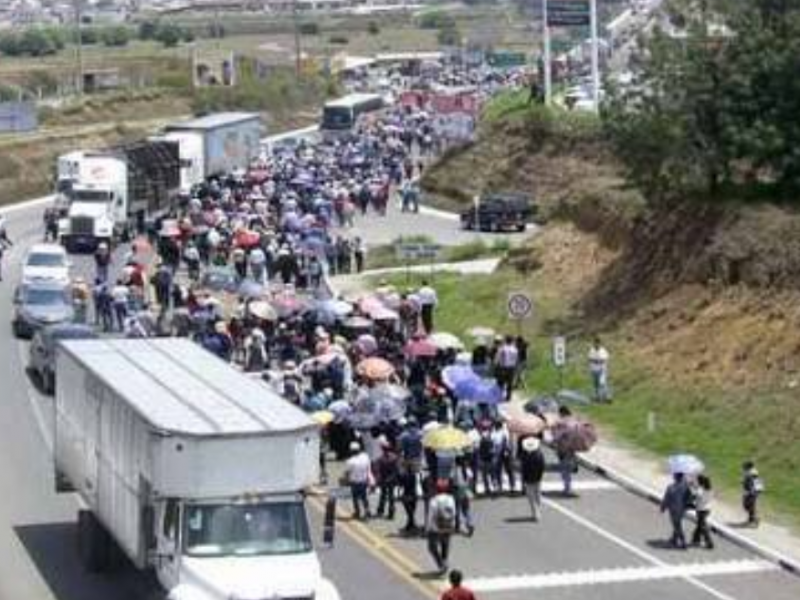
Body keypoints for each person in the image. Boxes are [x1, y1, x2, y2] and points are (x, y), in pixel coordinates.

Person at [426, 478, 457, 575]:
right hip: (448, 525)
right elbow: (454, 512)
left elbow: (431, 515)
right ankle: (445, 561)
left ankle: (441, 564)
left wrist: (428, 528)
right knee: (445, 545)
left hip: (436, 527)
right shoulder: (451, 499)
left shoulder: (434, 500)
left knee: (432, 547)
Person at [660, 472, 690, 549]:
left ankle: (683, 542)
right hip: (682, 508)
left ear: (675, 477)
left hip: (674, 510)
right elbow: (688, 497)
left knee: (677, 526)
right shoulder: (685, 486)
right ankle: (674, 538)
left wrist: (663, 507)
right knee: (678, 524)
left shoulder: (671, 488)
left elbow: (666, 499)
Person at [519, 436, 545, 521]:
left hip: (528, 479)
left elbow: (523, 469)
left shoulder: (524, 456)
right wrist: (540, 476)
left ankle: (535, 513)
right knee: (538, 495)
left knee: (531, 497)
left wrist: (523, 478)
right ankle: (538, 510)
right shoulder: (539, 454)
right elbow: (542, 467)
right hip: (537, 478)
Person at [344, 441, 373, 521]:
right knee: (364, 497)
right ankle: (367, 511)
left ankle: (357, 512)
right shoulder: (365, 457)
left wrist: (345, 481)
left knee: (355, 498)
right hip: (364, 481)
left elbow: (347, 473)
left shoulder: (350, 461)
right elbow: (368, 467)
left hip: (354, 482)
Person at [690, 474, 714, 549]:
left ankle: (709, 543)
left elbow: (694, 496)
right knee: (700, 525)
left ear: (700, 482)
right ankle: (695, 539)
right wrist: (695, 486)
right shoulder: (710, 489)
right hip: (708, 509)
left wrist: (692, 487)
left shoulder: (700, 490)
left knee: (703, 527)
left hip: (701, 510)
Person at [494, 336, 519, 402]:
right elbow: (516, 359)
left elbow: (497, 358)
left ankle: (499, 395)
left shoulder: (502, 348)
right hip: (512, 368)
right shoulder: (515, 349)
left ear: (506, 340)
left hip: (503, 367)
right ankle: (508, 396)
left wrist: (496, 364)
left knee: (501, 382)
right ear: (512, 341)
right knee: (509, 383)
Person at [588, 337, 611, 402]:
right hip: (594, 370)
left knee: (602, 383)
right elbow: (590, 359)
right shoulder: (591, 350)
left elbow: (605, 359)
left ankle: (607, 397)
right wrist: (595, 361)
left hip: (602, 369)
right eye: (595, 343)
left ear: (599, 344)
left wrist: (599, 361)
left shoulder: (603, 351)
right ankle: (597, 397)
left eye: (598, 343)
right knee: (595, 384)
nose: (596, 345)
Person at [742, 461, 763, 527]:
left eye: (744, 466)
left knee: (749, 506)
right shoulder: (749, 472)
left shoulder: (753, 473)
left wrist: (752, 491)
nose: (743, 468)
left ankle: (755, 520)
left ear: (748, 467)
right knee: (747, 506)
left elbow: (754, 483)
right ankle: (752, 519)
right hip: (750, 491)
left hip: (752, 492)